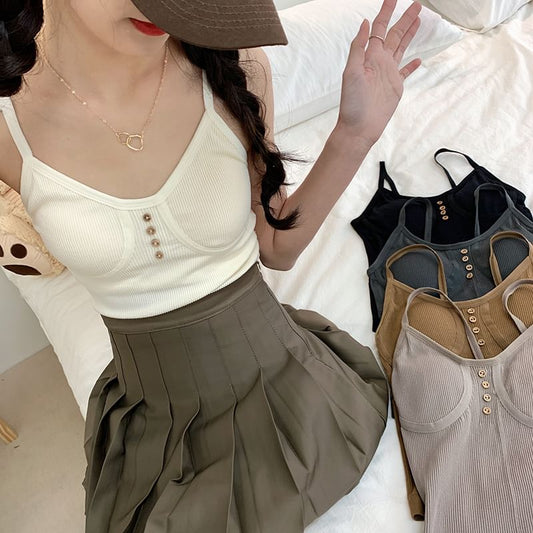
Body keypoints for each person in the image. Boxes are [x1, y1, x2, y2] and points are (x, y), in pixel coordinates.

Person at [0, 0, 422, 531]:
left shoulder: (233, 65)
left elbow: (277, 246)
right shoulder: (9, 124)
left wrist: (354, 134)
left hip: (285, 381)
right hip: (154, 414)